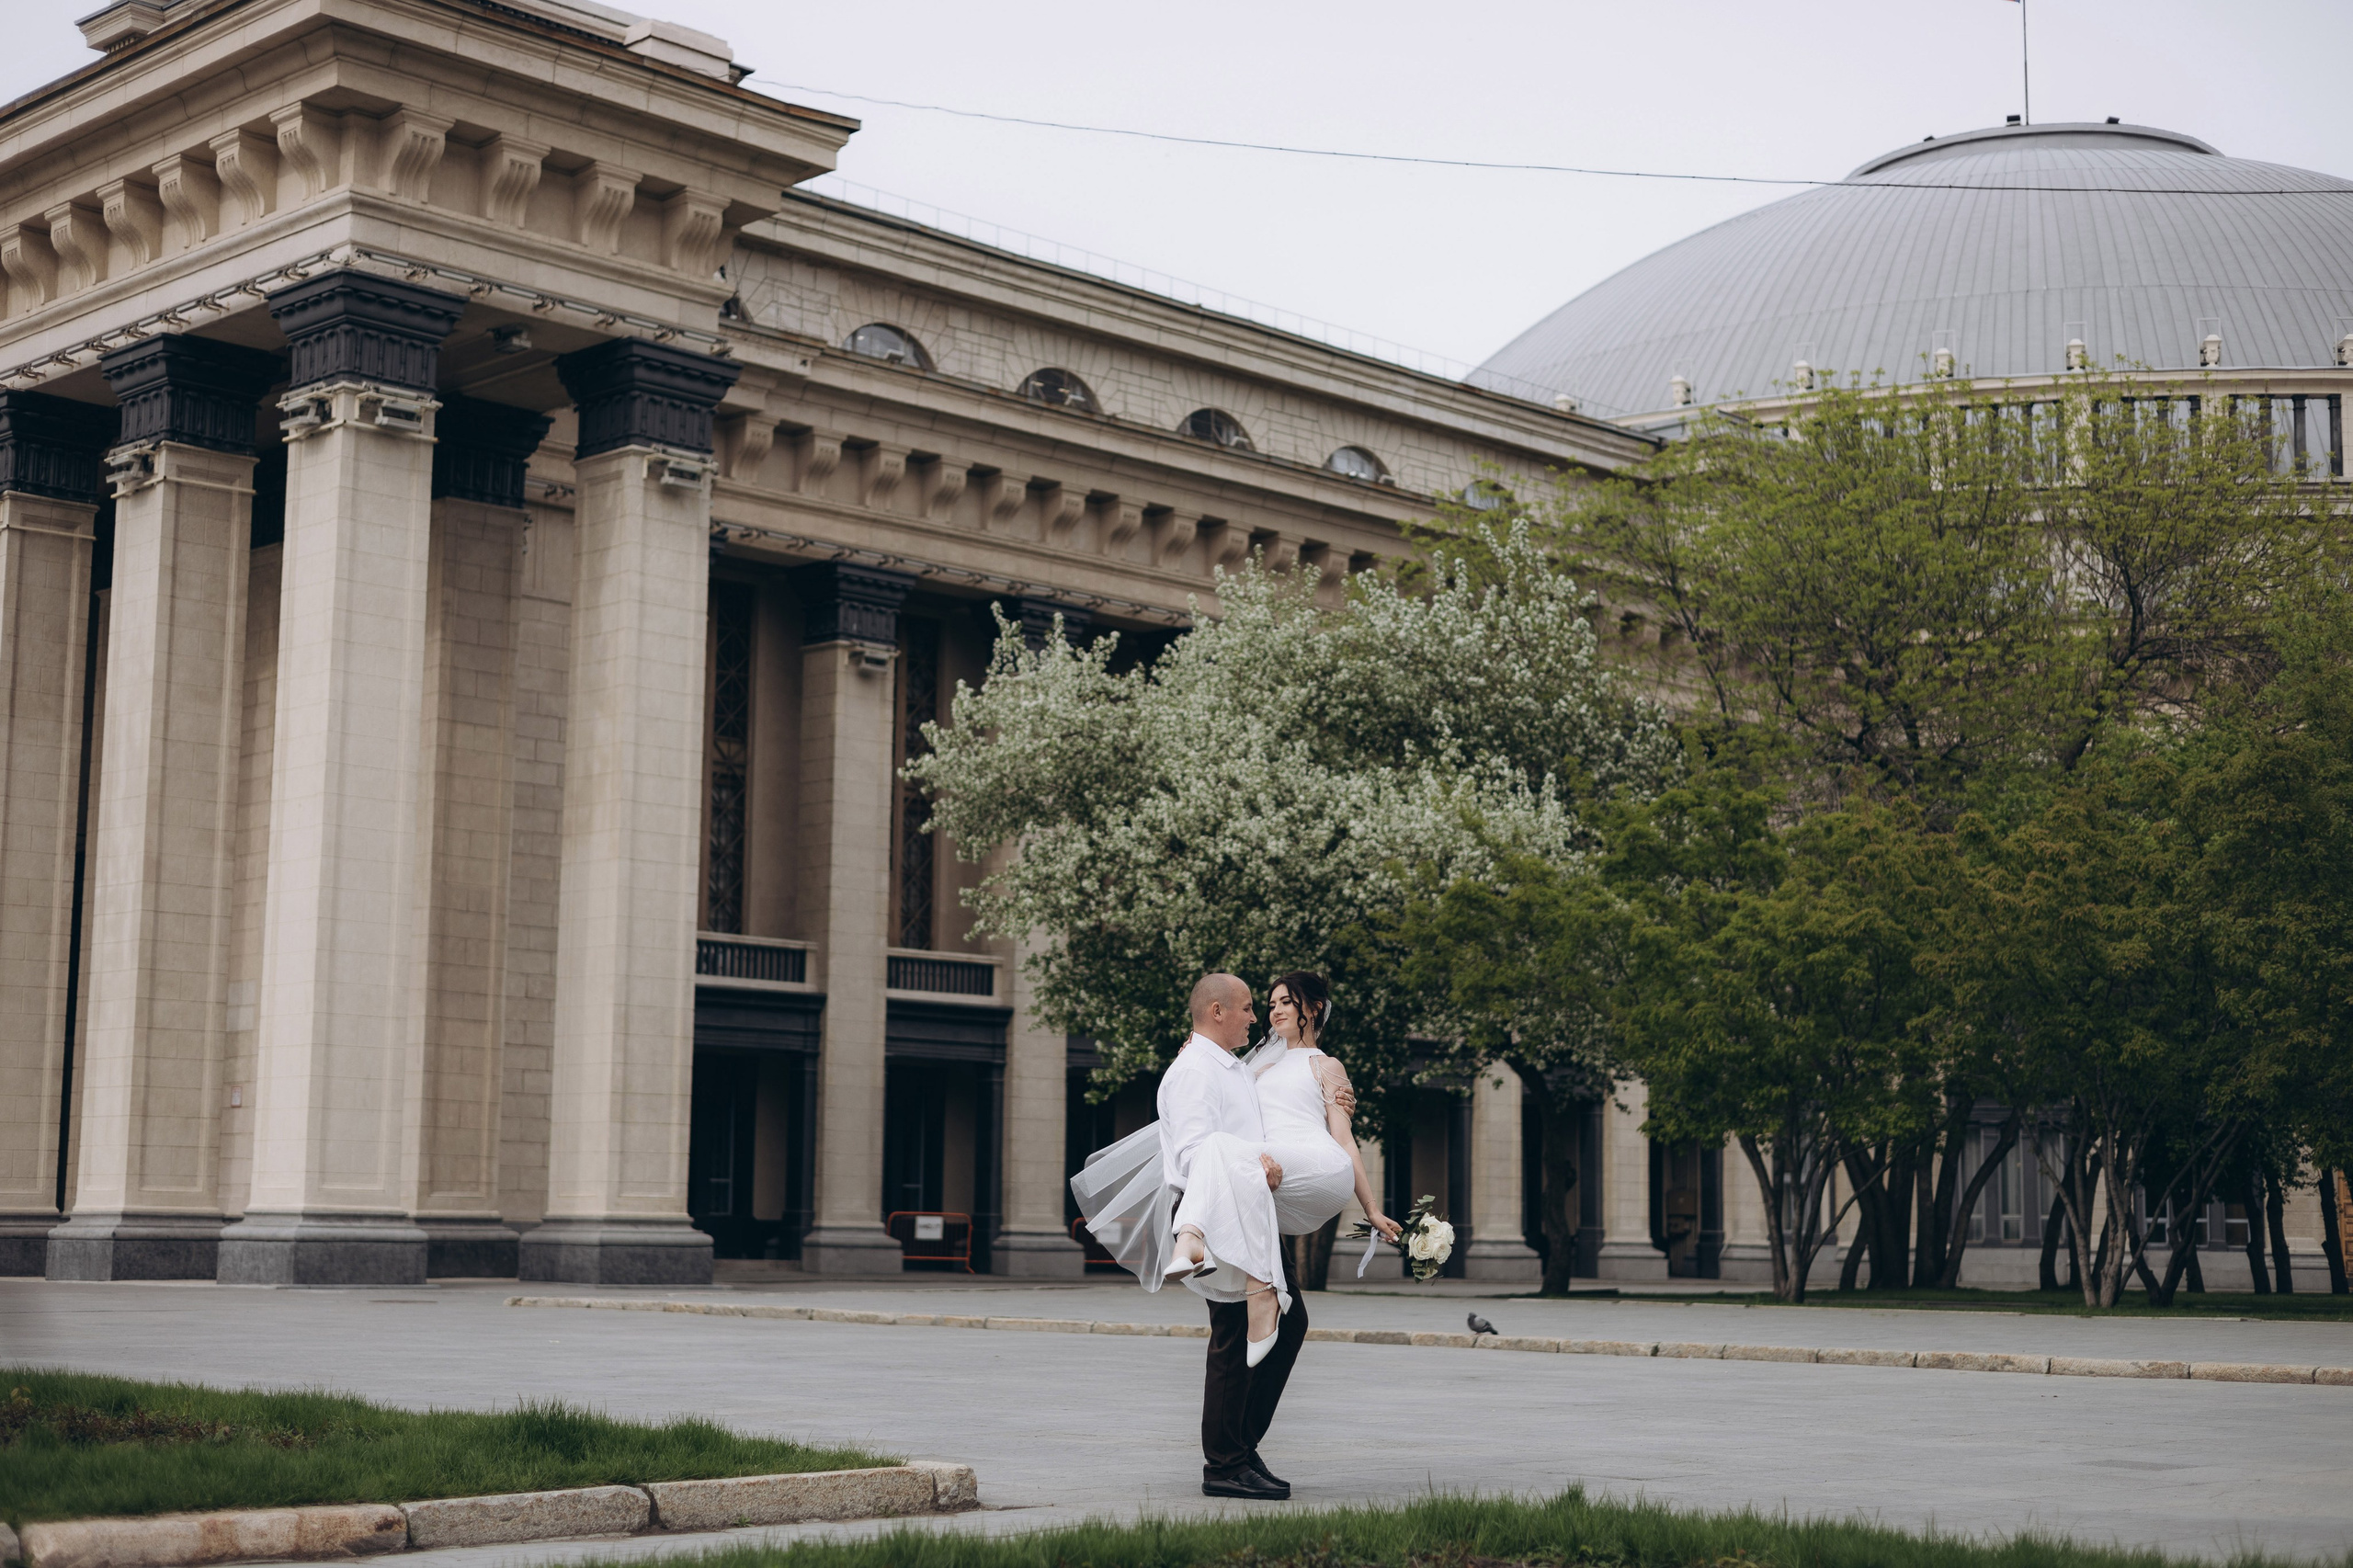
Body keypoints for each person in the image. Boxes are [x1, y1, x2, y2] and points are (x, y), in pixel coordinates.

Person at [1068, 970, 1398, 1502]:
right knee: (1233, 1332)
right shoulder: (1201, 1067)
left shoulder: (1244, 1065)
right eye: (1255, 1006)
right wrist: (1250, 1163)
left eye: (1278, 1003)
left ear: (1313, 1008)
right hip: (1223, 1197)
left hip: (1253, 1200)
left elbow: (1324, 1134)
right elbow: (1200, 1148)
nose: (1262, 1014)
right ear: (1219, 1012)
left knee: (1289, 1324)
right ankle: (1224, 1462)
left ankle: (1238, 1449)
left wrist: (1370, 1206)